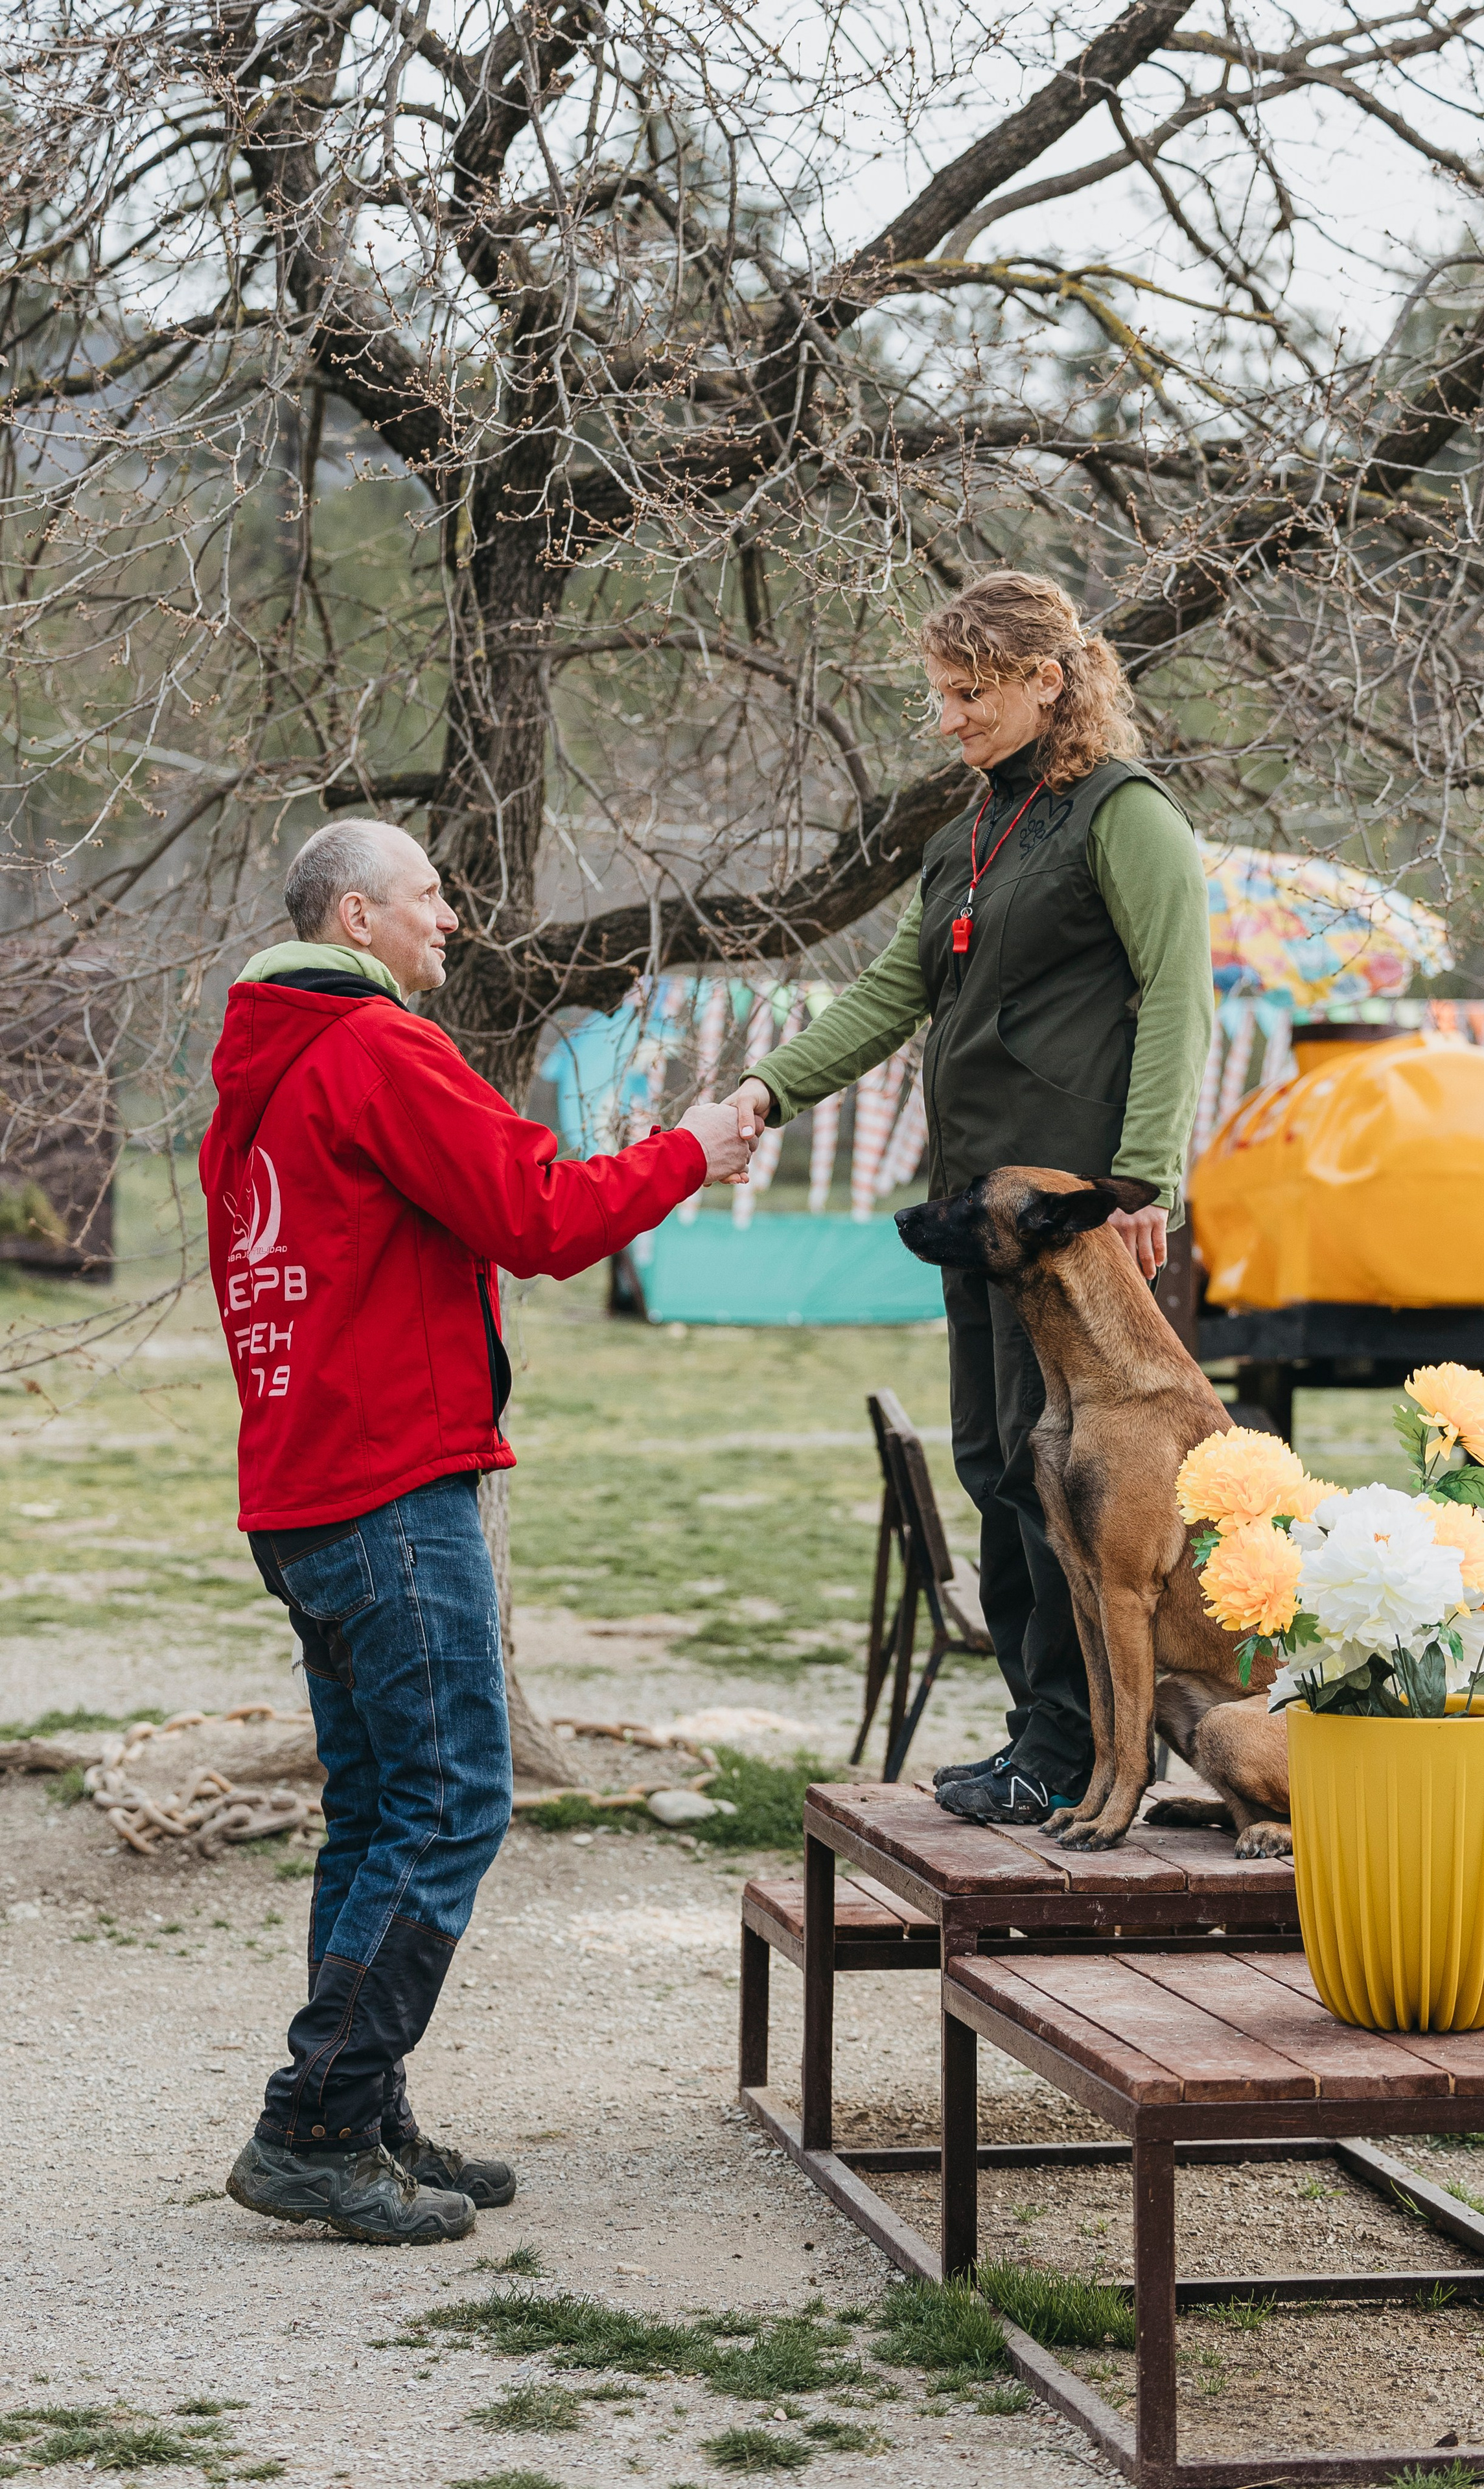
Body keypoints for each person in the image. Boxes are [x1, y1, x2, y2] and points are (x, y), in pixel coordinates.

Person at [201, 817, 752, 2243]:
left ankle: (362, 2107)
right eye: (428, 897)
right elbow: (536, 1219)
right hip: (389, 1485)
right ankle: (312, 2122)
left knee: (378, 1809)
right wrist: (693, 1148)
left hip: (303, 1490)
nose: (450, 918)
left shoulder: (258, 1075)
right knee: (450, 1802)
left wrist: (604, 1166)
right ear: (353, 917)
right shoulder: (373, 1046)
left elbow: (443, 1215)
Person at [728, 572, 1212, 1827]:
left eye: (970, 694)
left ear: (1049, 681)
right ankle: (1044, 1731)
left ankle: (1075, 1747)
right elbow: (892, 994)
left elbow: (1176, 995)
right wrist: (762, 1093)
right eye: (942, 695)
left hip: (1070, 1227)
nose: (947, 719)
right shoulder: (972, 835)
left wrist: (1140, 1175)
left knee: (1072, 1483)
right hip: (980, 1222)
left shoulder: (1126, 815)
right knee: (1000, 1461)